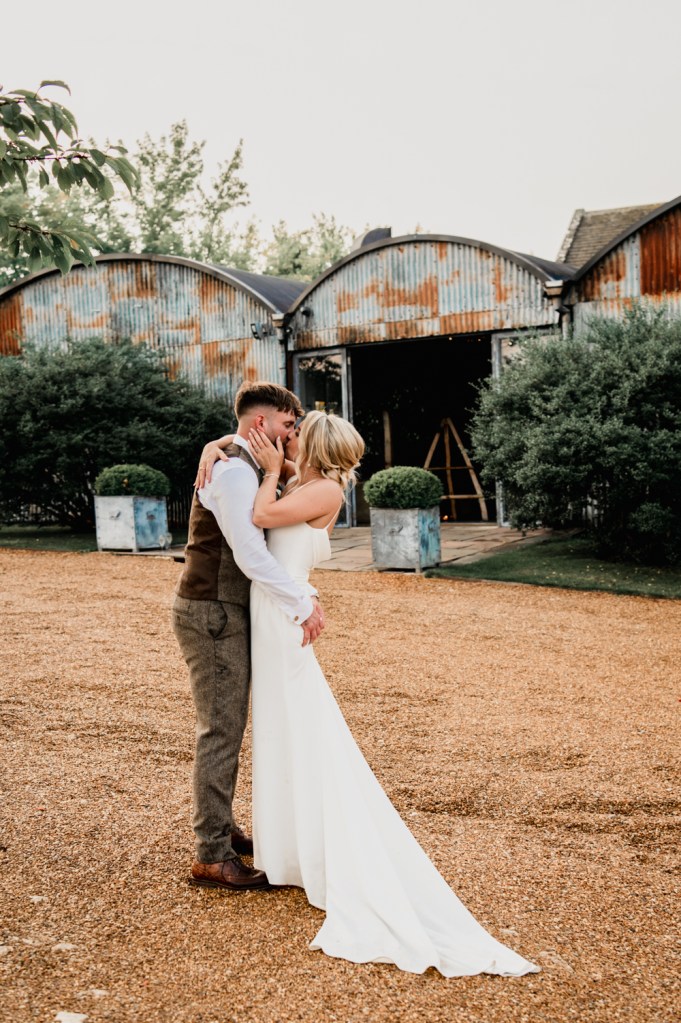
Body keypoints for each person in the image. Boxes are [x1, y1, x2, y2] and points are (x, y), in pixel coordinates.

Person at [198, 408, 540, 978]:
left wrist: (268, 471)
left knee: (301, 728)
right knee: (281, 730)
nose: (286, 438)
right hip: (273, 613)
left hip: (285, 622)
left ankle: (316, 848)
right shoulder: (303, 482)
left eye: (295, 436)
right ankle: (288, 848)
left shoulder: (321, 489)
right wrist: (220, 444)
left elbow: (260, 515)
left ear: (313, 447)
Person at [172, 381, 324, 893]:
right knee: (219, 727)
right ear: (262, 424)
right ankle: (211, 853)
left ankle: (223, 828)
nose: (292, 434)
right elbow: (249, 554)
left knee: (229, 723)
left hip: (224, 608)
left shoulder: (237, 459)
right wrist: (301, 605)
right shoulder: (235, 471)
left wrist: (215, 441)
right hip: (212, 609)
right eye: (287, 425)